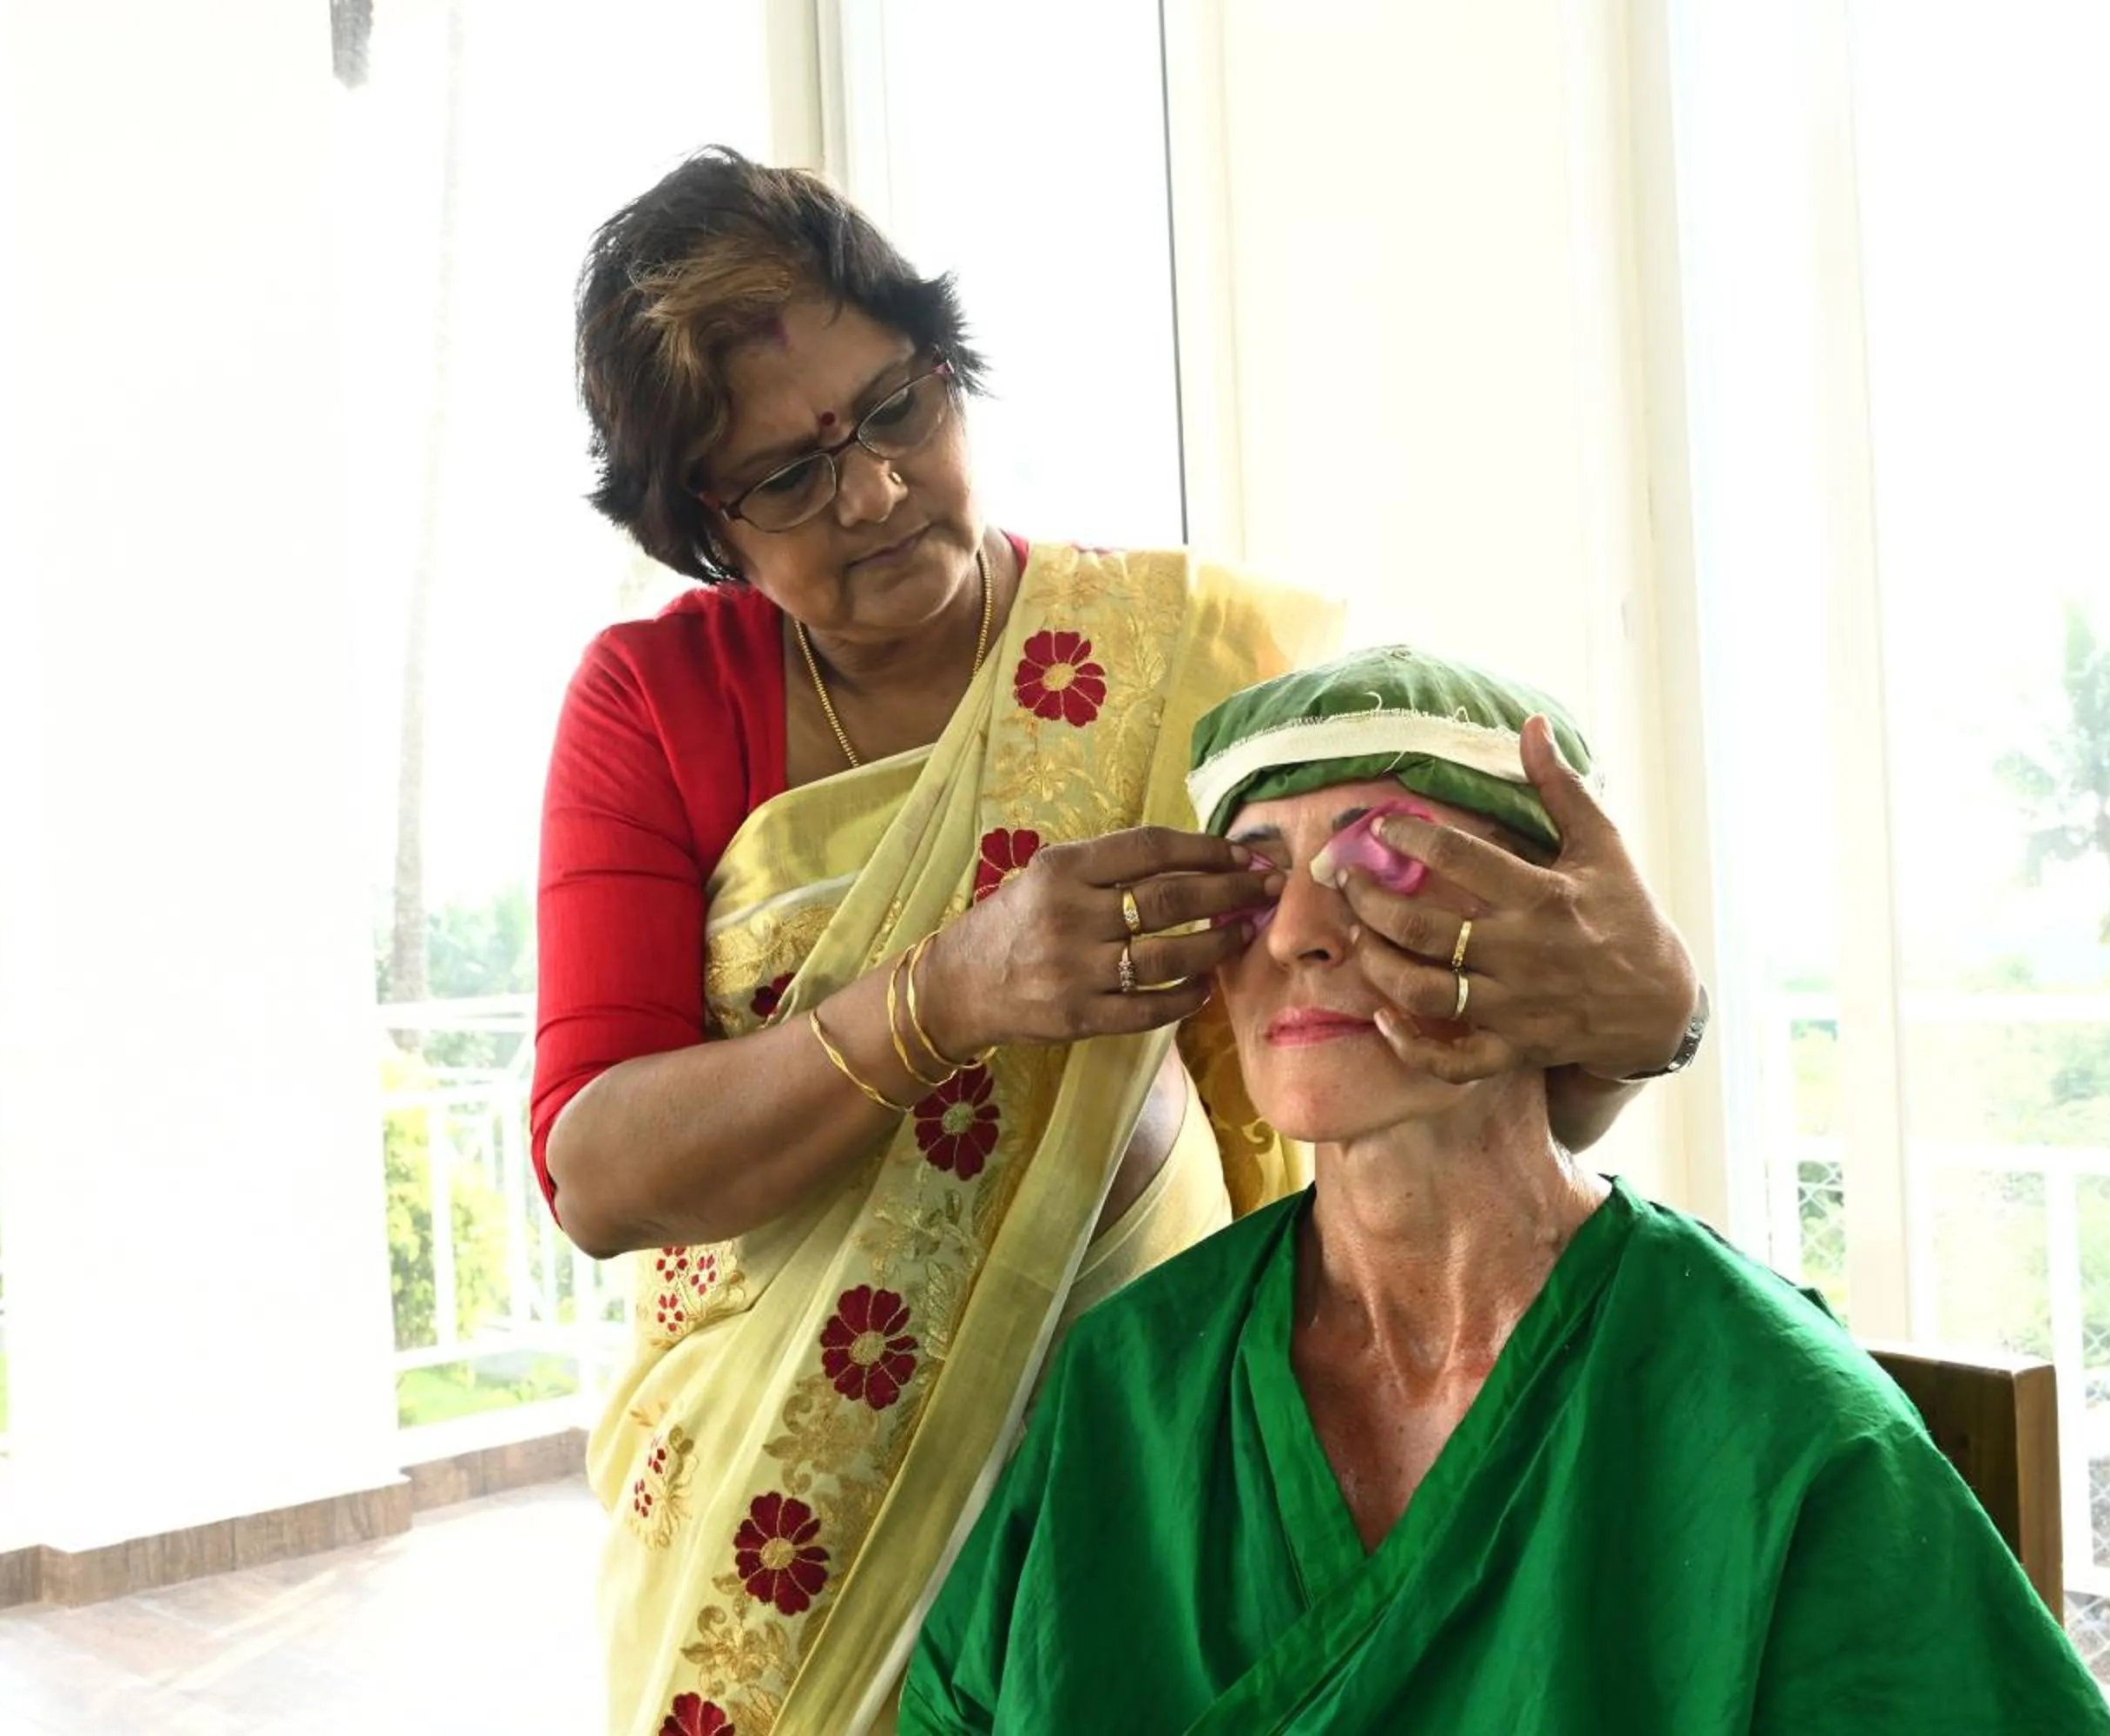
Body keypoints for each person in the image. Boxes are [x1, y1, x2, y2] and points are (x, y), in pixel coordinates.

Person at [539, 150, 1712, 1735]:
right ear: (702, 525)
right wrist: (949, 994)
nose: (876, 491)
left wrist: (1643, 1027)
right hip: (779, 1526)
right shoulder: (658, 707)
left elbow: (1434, 1091)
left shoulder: (1186, 665)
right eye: (791, 478)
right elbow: (601, 1175)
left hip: (1148, 1472)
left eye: (897, 408)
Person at [899, 646, 2110, 1735]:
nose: (1299, 936)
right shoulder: (1128, 1386)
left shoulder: (1774, 1423)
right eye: (1259, 879)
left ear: (1559, 929)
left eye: (1381, 863)